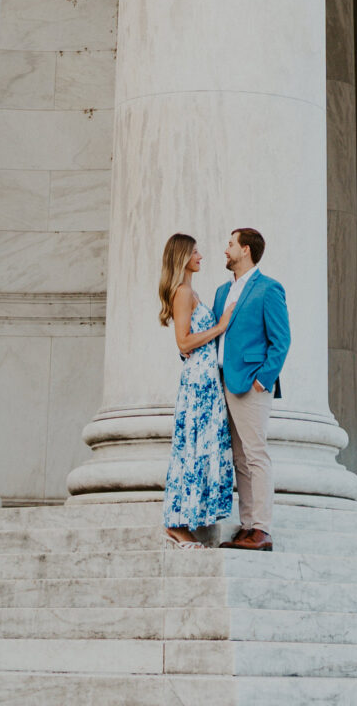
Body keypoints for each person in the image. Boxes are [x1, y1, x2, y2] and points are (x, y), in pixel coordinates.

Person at [210, 227, 290, 552]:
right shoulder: (220, 292)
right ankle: (246, 526)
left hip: (252, 383)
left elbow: (281, 340)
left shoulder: (269, 289)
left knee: (256, 456)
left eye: (230, 243)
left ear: (245, 250)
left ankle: (262, 528)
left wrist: (263, 378)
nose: (225, 249)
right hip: (223, 381)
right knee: (240, 459)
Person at [159, 233, 236, 546]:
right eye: (195, 252)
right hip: (197, 381)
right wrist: (220, 327)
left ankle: (190, 517)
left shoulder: (191, 291)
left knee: (202, 446)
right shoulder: (182, 291)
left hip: (206, 379)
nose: (201, 256)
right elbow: (183, 341)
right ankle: (176, 524)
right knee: (190, 447)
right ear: (183, 257)